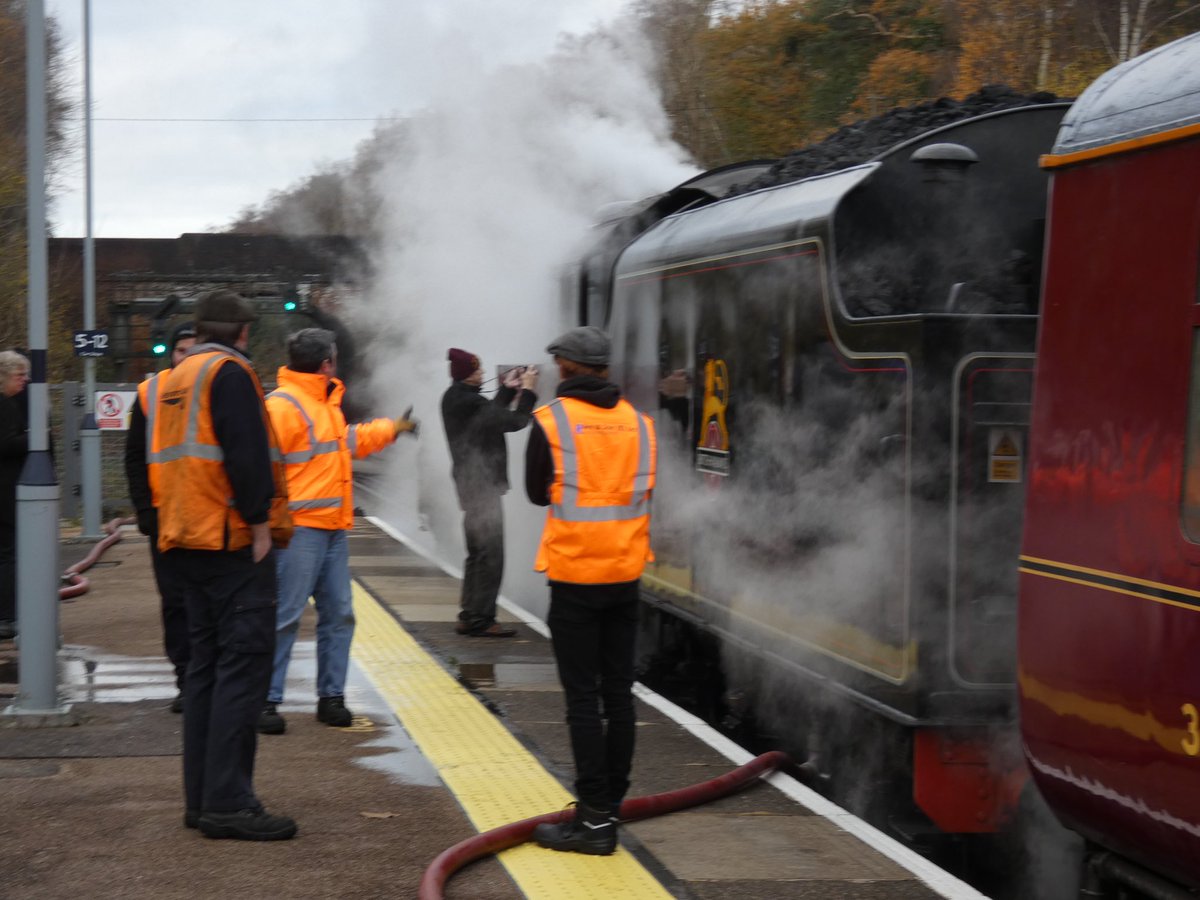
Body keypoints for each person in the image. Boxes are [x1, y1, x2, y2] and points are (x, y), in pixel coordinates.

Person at [151, 290, 296, 841]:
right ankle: (231, 802)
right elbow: (246, 454)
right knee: (243, 669)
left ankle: (203, 799)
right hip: (231, 543)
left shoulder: (177, 376)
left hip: (186, 539)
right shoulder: (230, 374)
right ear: (241, 332)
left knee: (207, 673)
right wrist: (260, 524)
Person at [525, 325, 657, 856]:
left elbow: (538, 494)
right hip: (625, 576)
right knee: (618, 694)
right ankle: (612, 808)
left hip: (576, 577)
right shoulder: (640, 425)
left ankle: (594, 822)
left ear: (565, 367)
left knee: (583, 699)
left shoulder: (552, 421)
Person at [258, 328, 416, 735]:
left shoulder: (320, 402)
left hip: (330, 530)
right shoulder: (284, 407)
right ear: (326, 363)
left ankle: (332, 697)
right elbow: (263, 469)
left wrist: (391, 429)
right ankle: (266, 700)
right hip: (299, 531)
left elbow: (345, 443)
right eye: (334, 359)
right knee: (285, 617)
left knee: (339, 615)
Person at [123, 322, 197, 711]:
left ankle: (204, 677)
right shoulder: (149, 394)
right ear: (171, 354)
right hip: (164, 517)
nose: (186, 356)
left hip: (207, 515)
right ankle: (186, 679)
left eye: (193, 349)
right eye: (180, 350)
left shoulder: (217, 386)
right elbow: (134, 458)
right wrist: (144, 509)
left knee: (207, 600)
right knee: (175, 601)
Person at [440, 347, 537, 637]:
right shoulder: (467, 401)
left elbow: (488, 417)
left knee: (476, 553)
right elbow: (511, 422)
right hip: (482, 486)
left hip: (470, 484)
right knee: (491, 555)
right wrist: (528, 393)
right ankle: (482, 619)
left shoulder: (455, 398)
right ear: (465, 374)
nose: (482, 374)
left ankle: (470, 614)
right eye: (477, 370)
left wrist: (507, 390)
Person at [0, 350, 31, 641]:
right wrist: (35, 438)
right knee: (9, 555)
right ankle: (7, 616)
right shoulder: (6, 407)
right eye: (19, 375)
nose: (24, 380)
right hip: (5, 493)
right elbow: (6, 444)